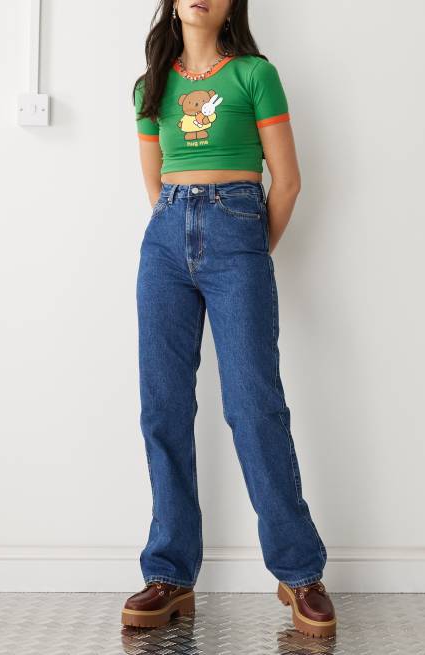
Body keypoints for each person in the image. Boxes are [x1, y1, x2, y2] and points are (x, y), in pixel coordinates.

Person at [121, 0, 336, 640]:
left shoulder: (254, 74)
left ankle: (299, 572)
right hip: (165, 244)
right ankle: (170, 573)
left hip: (237, 228)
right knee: (162, 406)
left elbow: (287, 182)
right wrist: (185, 235)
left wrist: (244, 252)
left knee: (253, 405)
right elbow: (155, 185)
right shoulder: (149, 86)